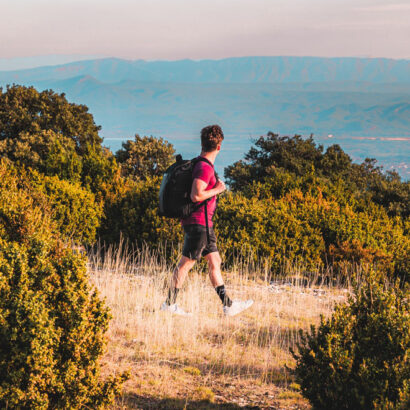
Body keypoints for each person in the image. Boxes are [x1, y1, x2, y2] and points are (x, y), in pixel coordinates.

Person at [160, 125, 254, 316]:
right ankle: (169, 304)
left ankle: (228, 305)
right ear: (219, 147)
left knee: (215, 260)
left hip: (204, 223)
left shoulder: (200, 163)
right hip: (198, 224)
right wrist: (218, 189)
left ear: (203, 143)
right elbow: (196, 195)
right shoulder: (204, 167)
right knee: (186, 264)